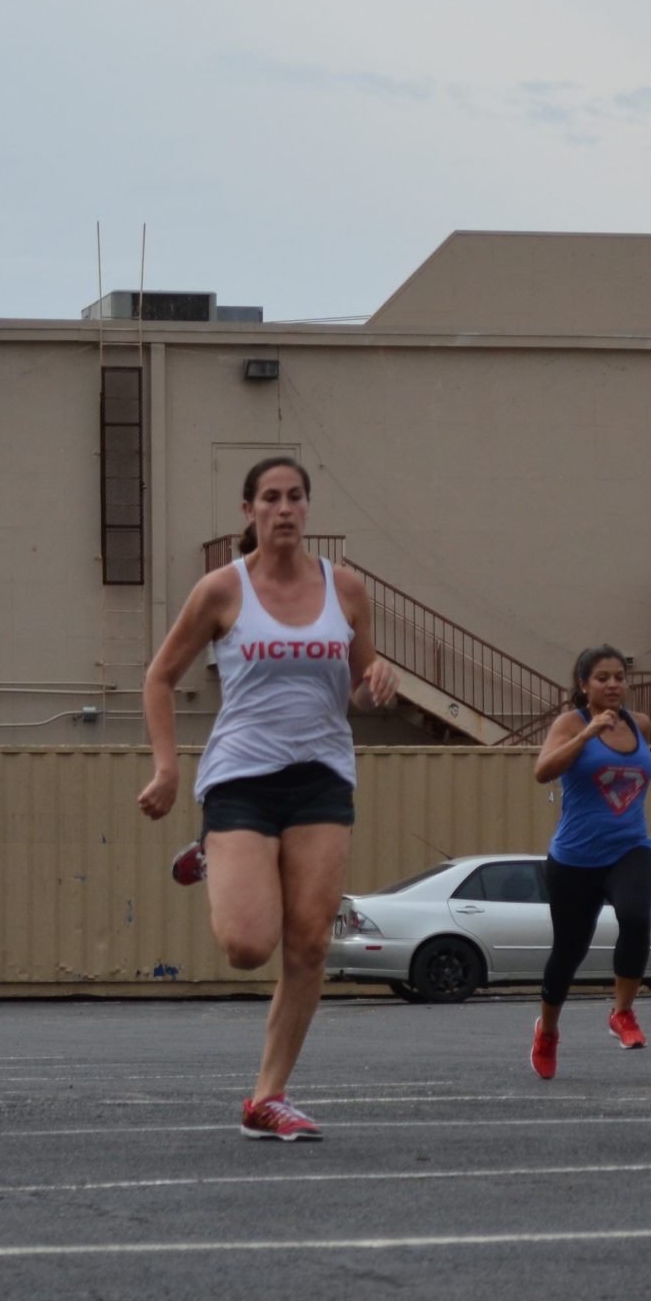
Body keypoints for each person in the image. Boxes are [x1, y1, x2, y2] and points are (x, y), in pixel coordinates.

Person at [140, 456, 396, 1140]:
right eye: (271, 498)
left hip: (322, 776)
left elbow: (359, 685)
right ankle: (215, 849)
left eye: (296, 497)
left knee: (309, 945)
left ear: (308, 507)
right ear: (249, 509)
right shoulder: (222, 590)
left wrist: (377, 680)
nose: (285, 509)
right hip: (242, 779)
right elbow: (159, 678)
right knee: (247, 946)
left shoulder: (345, 588)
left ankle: (267, 1096)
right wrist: (166, 768)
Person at [528, 644, 651, 1079]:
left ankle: (622, 1012)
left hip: (629, 847)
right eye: (603, 678)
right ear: (584, 685)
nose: (613, 685)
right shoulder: (570, 723)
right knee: (569, 952)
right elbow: (543, 771)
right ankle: (547, 1031)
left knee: (637, 917)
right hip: (575, 859)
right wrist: (586, 735)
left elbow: (637, 765)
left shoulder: (639, 724)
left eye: (620, 677)